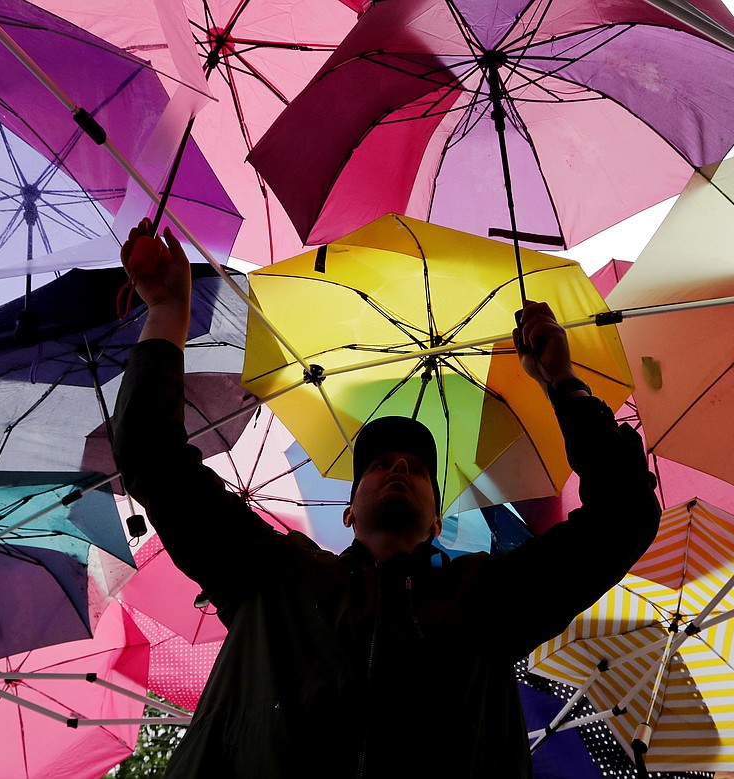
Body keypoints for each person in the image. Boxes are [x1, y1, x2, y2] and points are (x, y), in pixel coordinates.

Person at [113, 219, 661, 779]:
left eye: (419, 469)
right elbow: (151, 455)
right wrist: (167, 313)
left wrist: (561, 381)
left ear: (437, 521)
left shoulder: (486, 599)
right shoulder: (271, 572)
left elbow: (626, 515)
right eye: (378, 464)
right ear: (349, 512)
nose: (399, 466)